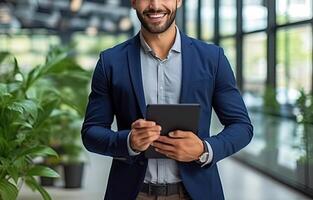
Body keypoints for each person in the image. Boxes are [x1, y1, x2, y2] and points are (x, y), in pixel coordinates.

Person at [81, 0, 253, 199]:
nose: (155, 5)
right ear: (133, 2)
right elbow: (91, 132)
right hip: (132, 193)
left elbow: (242, 126)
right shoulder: (110, 62)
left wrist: (204, 149)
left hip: (196, 193)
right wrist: (128, 142)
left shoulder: (212, 58)